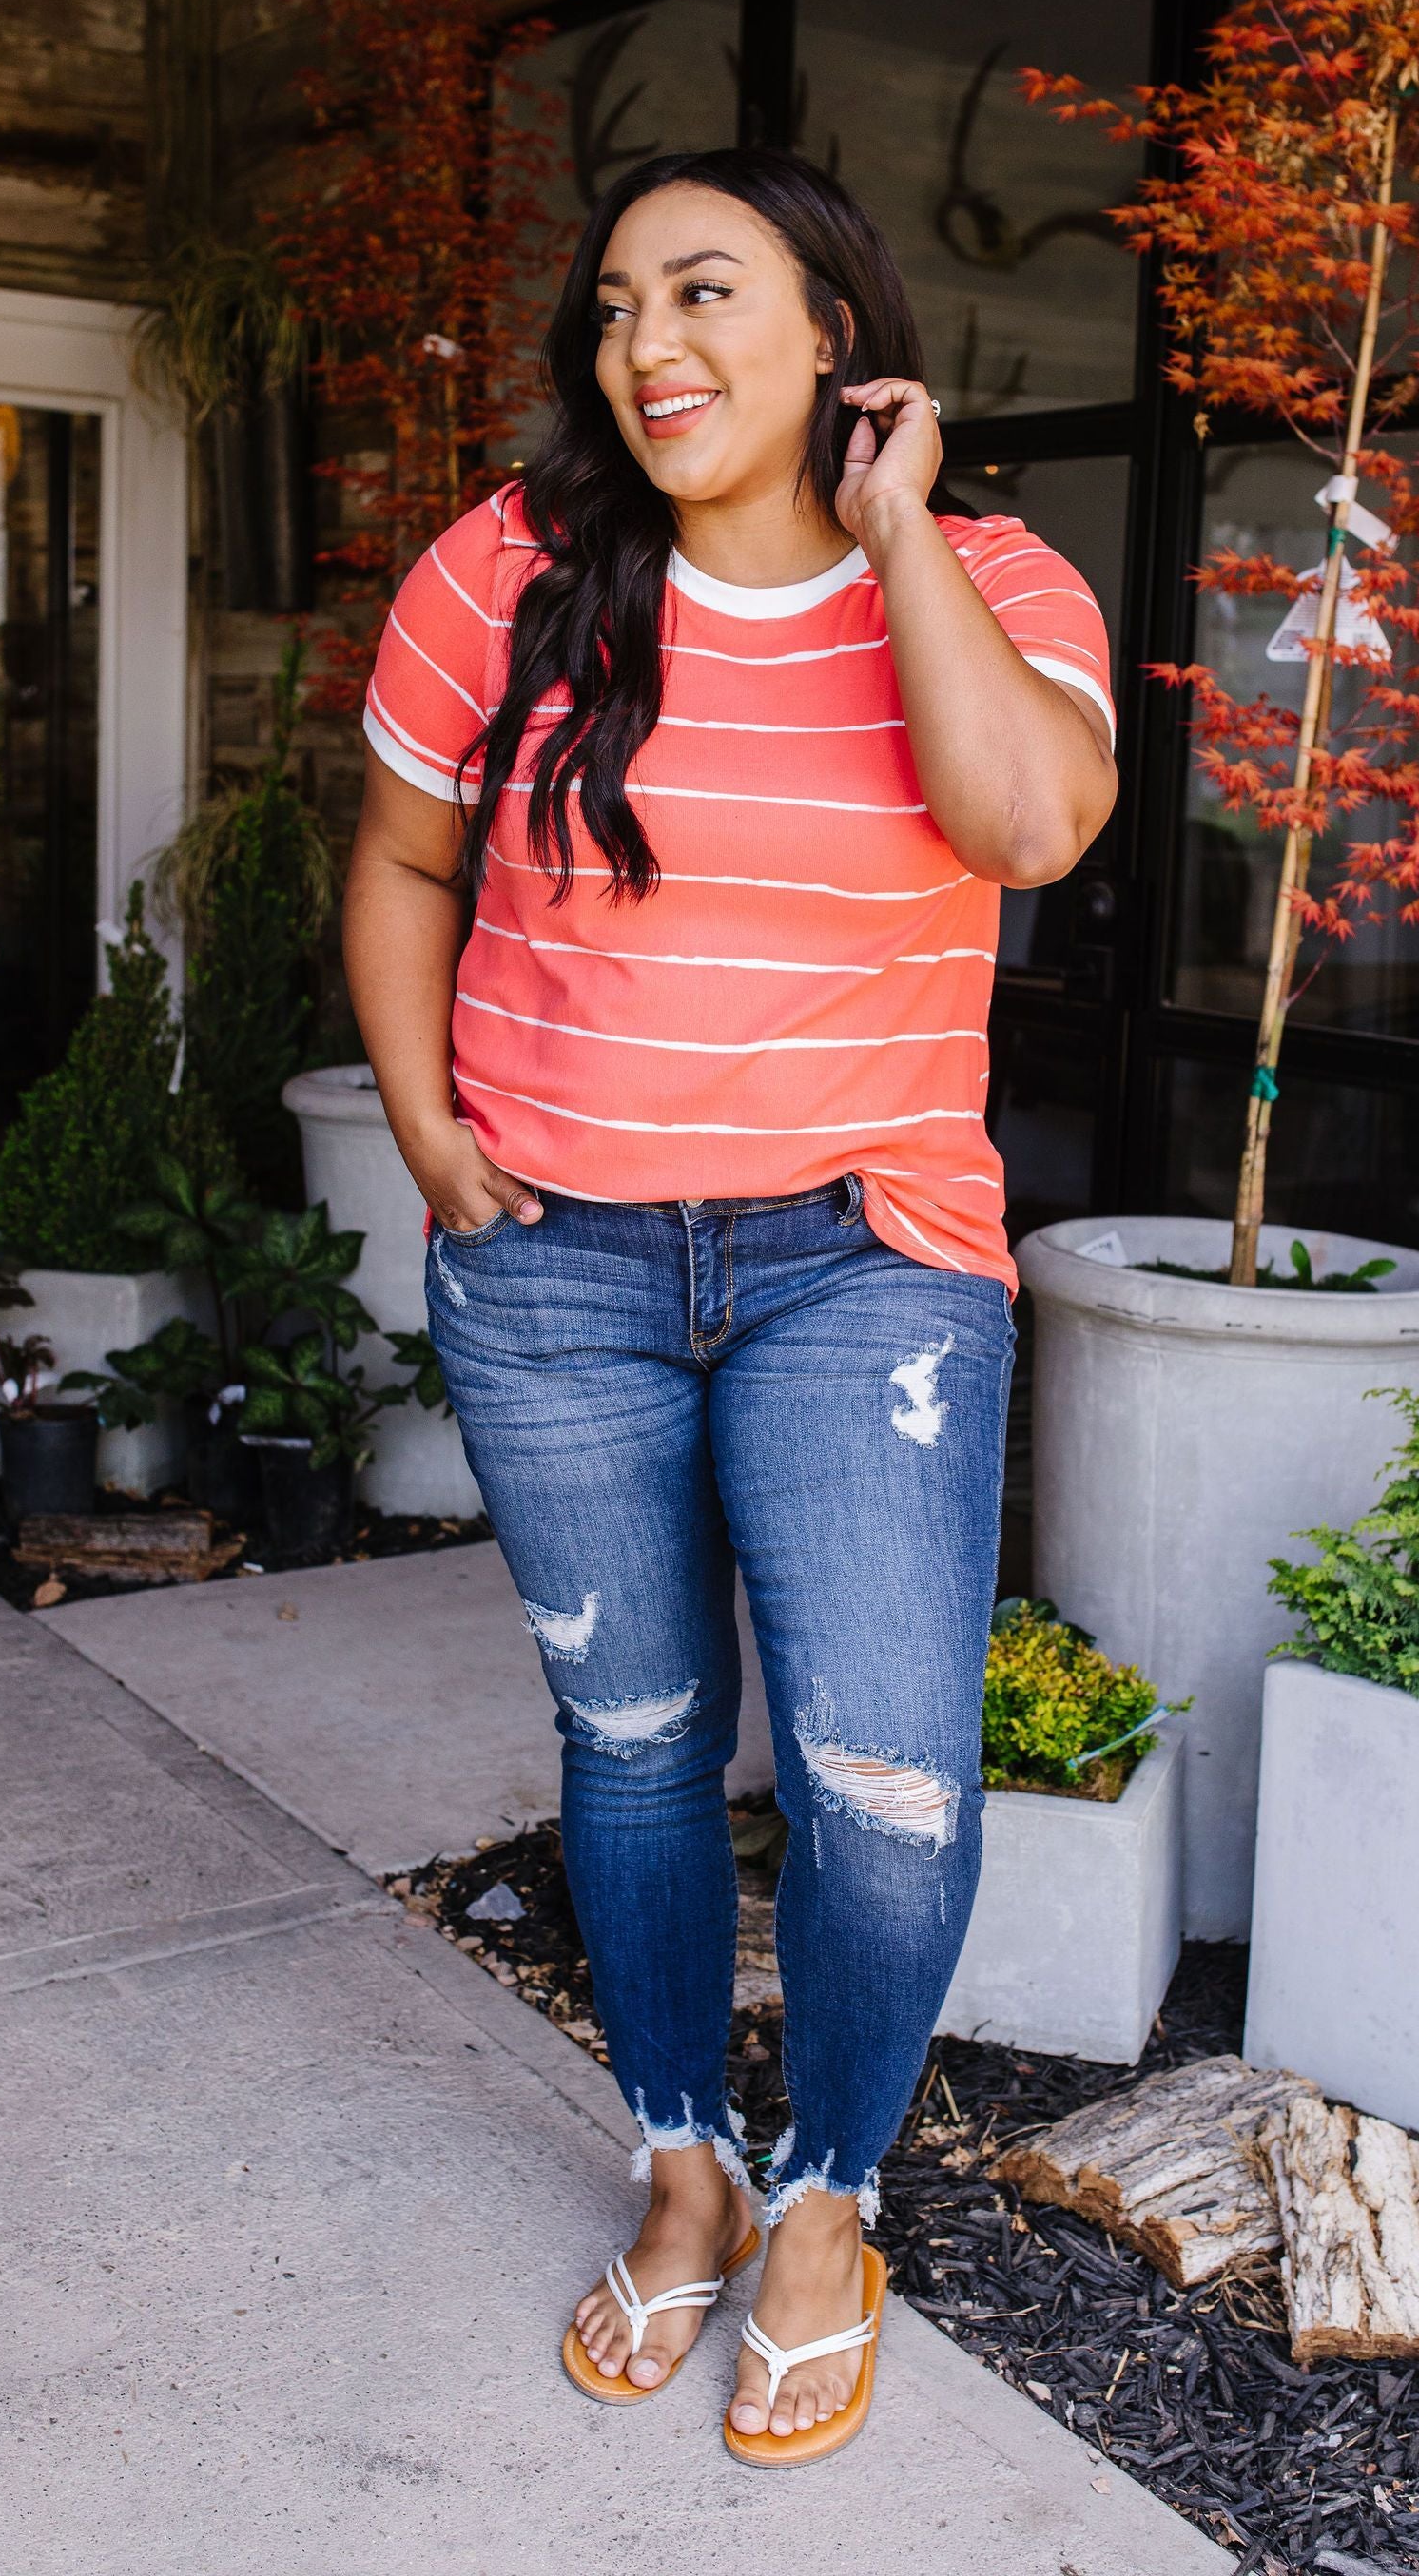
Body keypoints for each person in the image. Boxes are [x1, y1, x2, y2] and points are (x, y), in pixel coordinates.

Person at [343, 146, 1116, 2466]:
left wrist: (894, 540)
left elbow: (1029, 831)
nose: (644, 346)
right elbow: (397, 863)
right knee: (640, 1749)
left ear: (828, 337)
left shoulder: (981, 579)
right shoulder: (505, 572)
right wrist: (428, 1135)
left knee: (883, 1777)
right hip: (556, 1263)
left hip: (853, 1267)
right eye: (611, 309)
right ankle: (684, 2168)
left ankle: (828, 2199)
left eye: (702, 294)